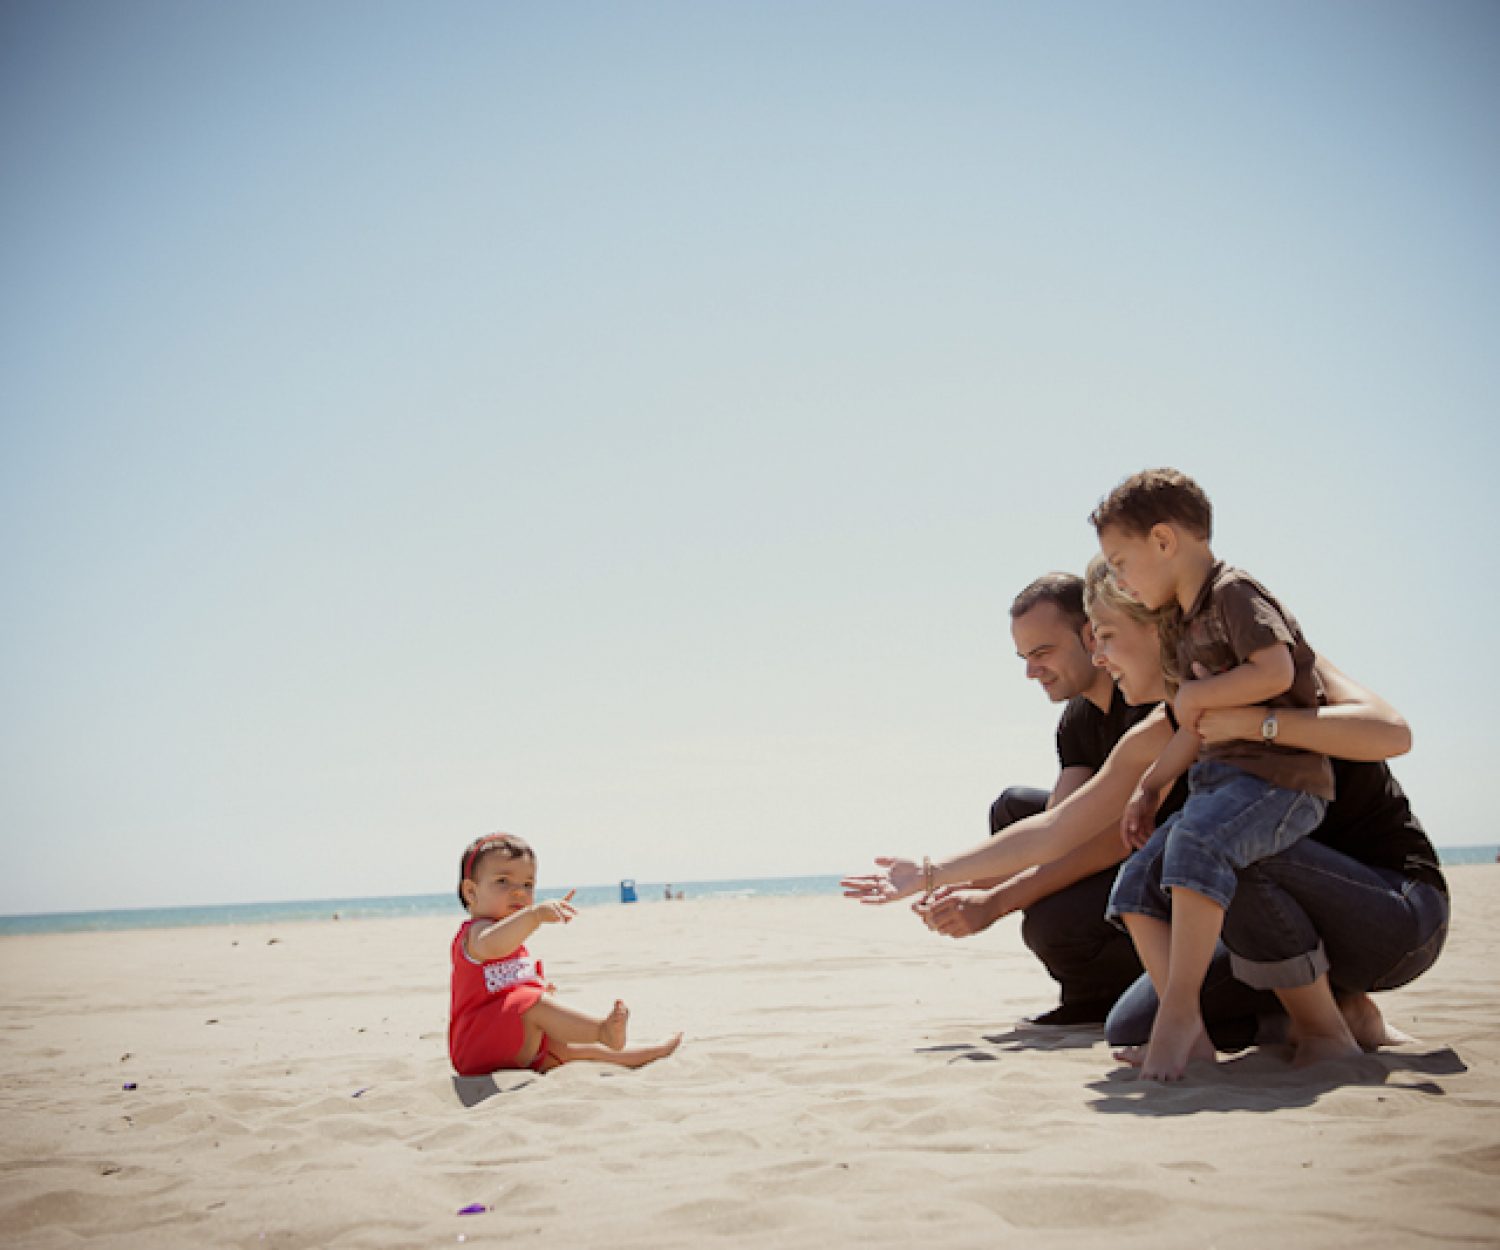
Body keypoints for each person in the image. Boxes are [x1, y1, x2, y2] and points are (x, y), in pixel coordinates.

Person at [844, 558, 1446, 1071]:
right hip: (1294, 918)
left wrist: (1253, 723)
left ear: (1160, 632)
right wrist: (928, 873)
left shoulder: (1278, 669)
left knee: (1219, 844)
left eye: (1105, 636)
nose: (1098, 656)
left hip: (1391, 910)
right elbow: (1059, 826)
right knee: (1131, 1022)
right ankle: (1322, 1013)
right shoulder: (1160, 728)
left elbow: (1394, 730)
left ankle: (1326, 1033)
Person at [1090, 467, 1334, 1080]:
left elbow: (1275, 673)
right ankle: (1193, 1032)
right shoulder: (1181, 622)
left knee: (1196, 846)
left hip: (1281, 785)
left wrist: (1205, 696)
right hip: (1218, 785)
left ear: (1165, 541)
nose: (1118, 577)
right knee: (1136, 885)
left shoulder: (1235, 592)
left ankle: (1175, 1013)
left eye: (1121, 561)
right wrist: (1151, 786)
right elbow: (1190, 727)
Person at [976, 574, 1159, 1028]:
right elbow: (1058, 827)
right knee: (1013, 808)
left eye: (1042, 653)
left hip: (1156, 855)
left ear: (1090, 634)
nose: (1031, 671)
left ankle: (1123, 992)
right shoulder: (1077, 717)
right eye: (1024, 658)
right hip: (1111, 843)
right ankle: (1086, 991)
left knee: (1049, 924)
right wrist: (969, 886)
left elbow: (1112, 840)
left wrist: (998, 899)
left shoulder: (1145, 697)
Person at [449, 833, 681, 1076]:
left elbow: (509, 984)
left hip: (511, 1042)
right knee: (533, 1005)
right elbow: (493, 946)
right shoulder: (475, 934)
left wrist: (539, 988)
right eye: (503, 881)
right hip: (476, 1048)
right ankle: (603, 1031)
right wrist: (534, 916)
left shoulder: (515, 943)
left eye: (528, 884)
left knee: (572, 1048)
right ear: (471, 892)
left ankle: (647, 1052)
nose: (519, 892)